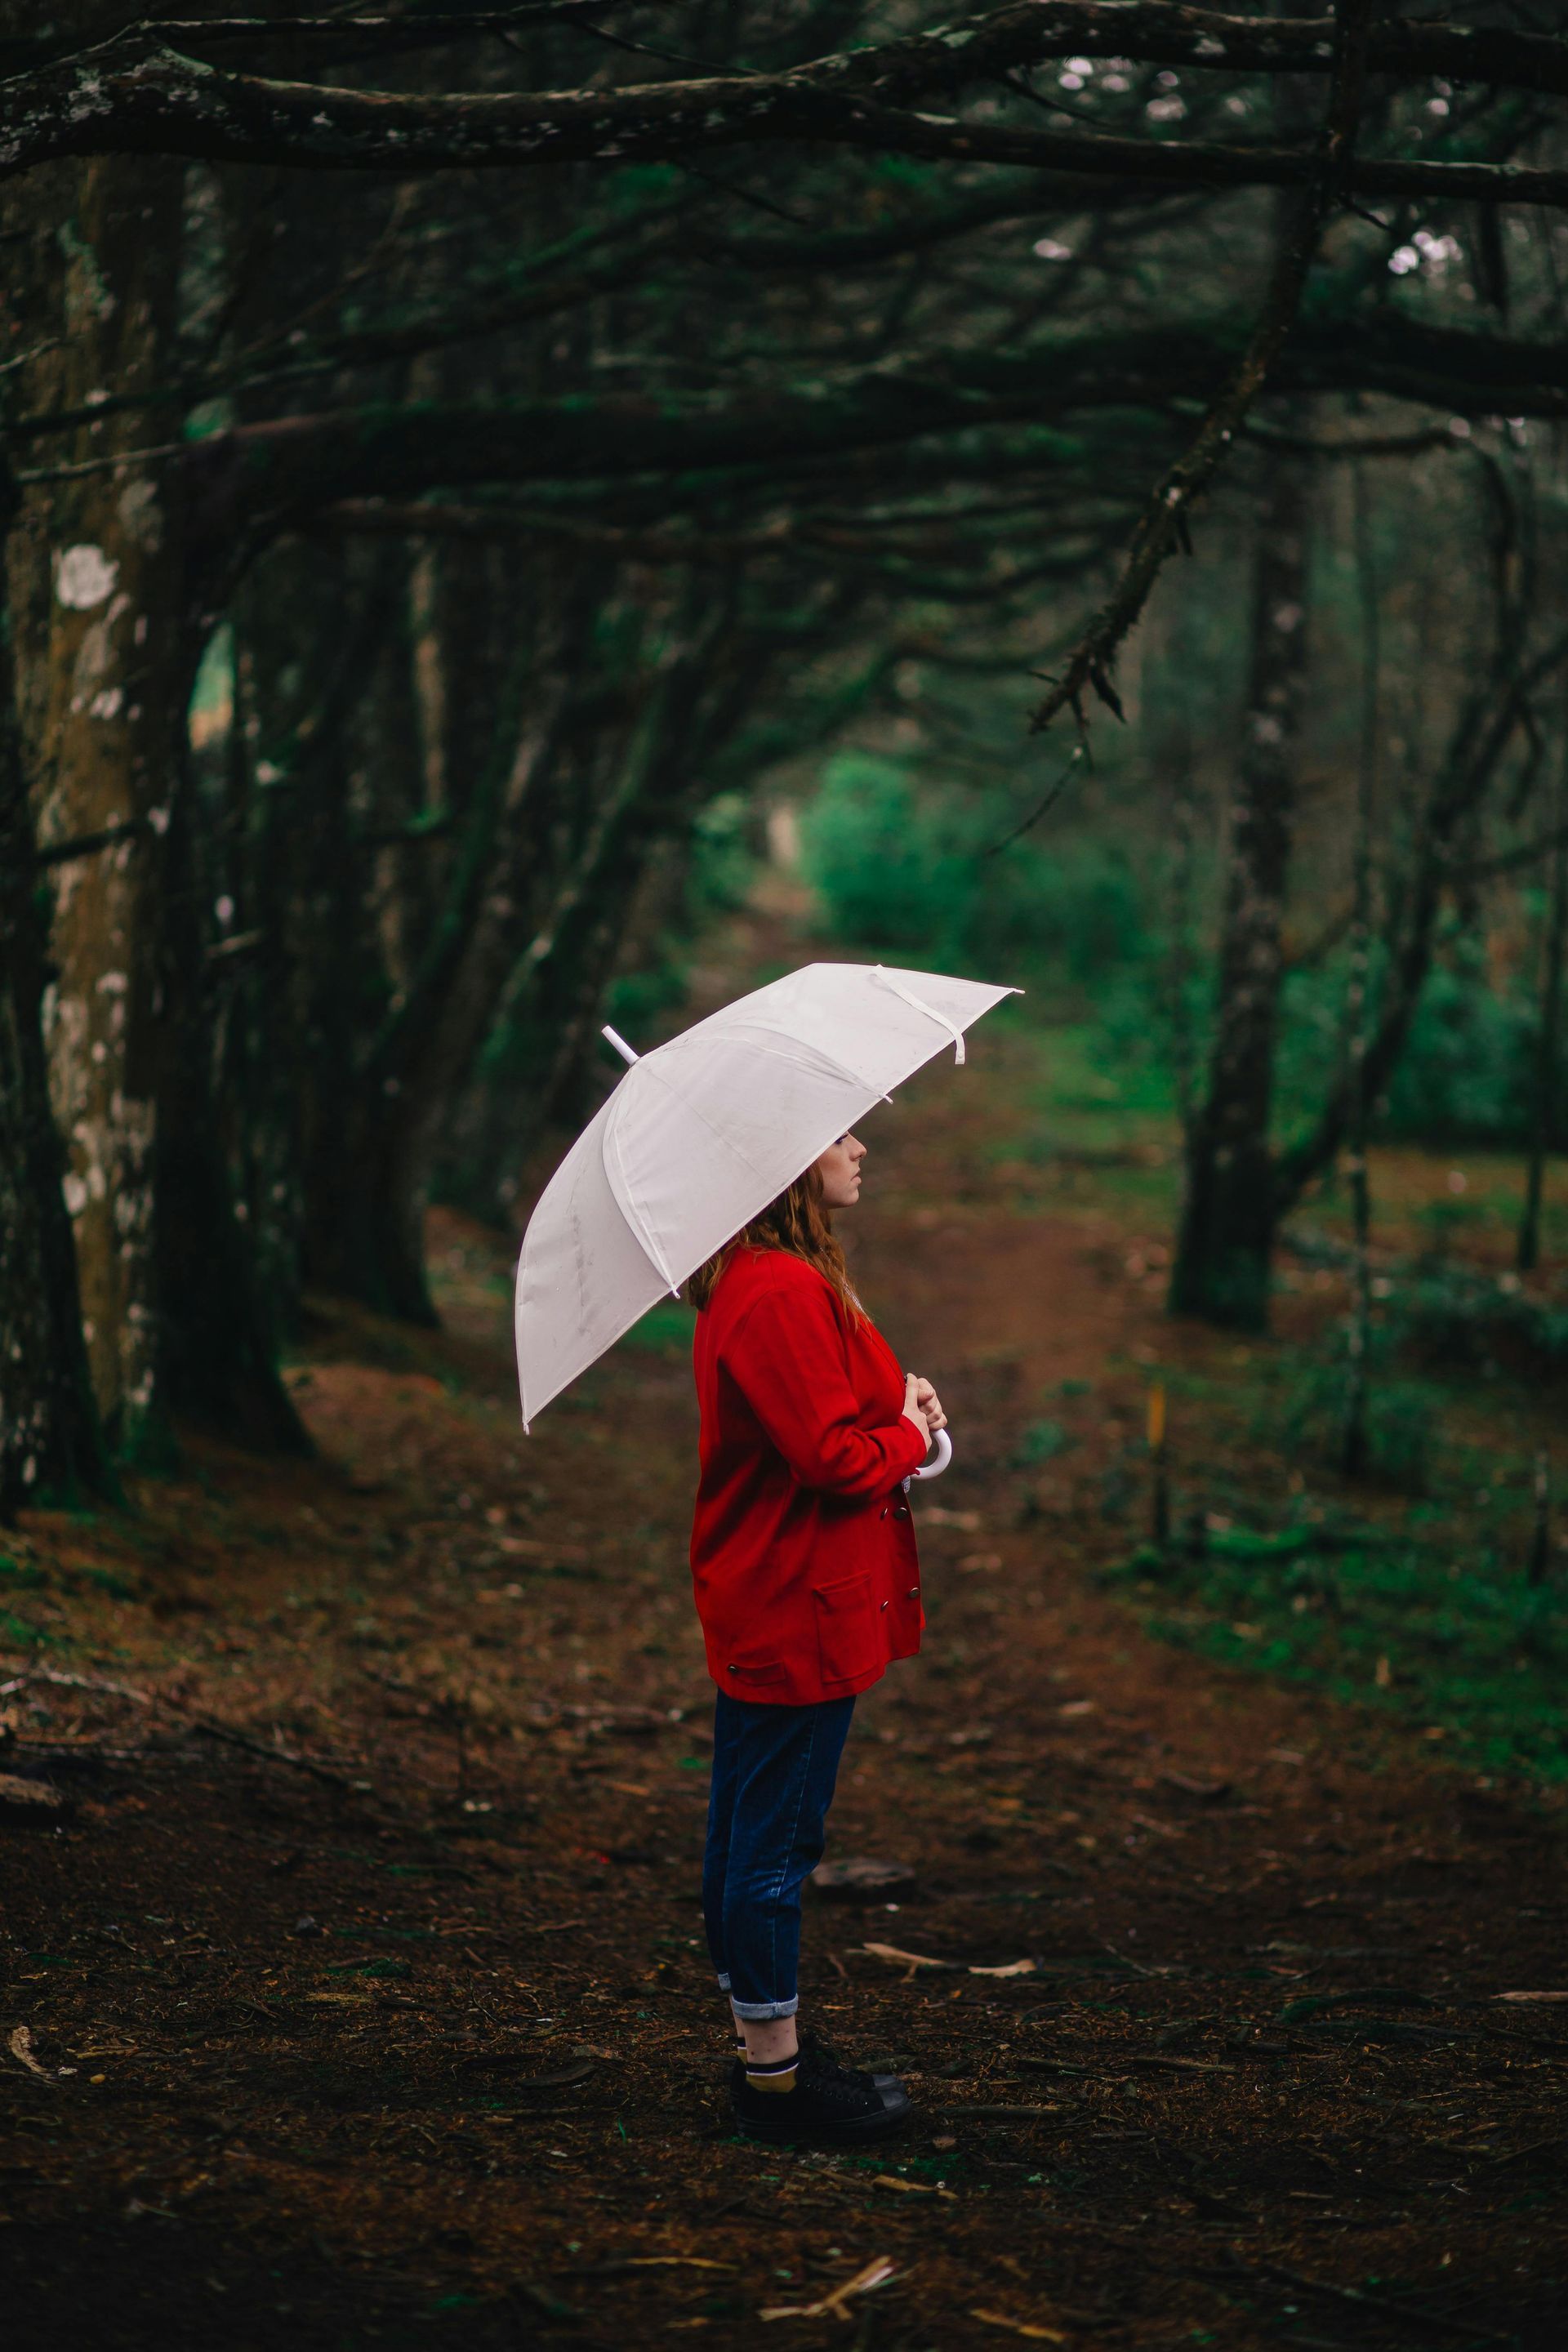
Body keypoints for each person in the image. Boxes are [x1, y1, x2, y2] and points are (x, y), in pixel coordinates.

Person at [686, 1127, 946, 2145]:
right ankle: (775, 2080)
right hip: (794, 1606)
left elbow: (843, 1426)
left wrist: (908, 1424)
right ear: (790, 1161)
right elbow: (835, 1458)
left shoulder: (774, 1279)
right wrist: (908, 1439)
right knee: (773, 1843)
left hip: (784, 1594)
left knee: (750, 1833)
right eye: (838, 1131)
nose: (863, 1143)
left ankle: (769, 2048)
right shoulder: (778, 1290)